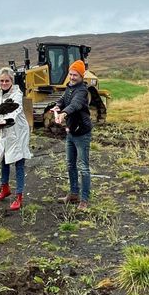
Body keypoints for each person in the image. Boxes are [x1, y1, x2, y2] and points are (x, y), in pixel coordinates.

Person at [51, 59, 92, 210]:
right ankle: (74, 194)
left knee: (83, 167)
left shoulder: (82, 91)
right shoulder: (69, 87)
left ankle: (84, 200)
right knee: (70, 164)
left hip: (82, 134)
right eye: (71, 74)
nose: (72, 77)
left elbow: (74, 104)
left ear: (81, 76)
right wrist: (57, 106)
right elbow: (63, 100)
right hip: (71, 133)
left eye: (75, 75)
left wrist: (63, 114)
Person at [0, 67, 32, 210]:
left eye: (7, 80)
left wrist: (4, 121)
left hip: (18, 132)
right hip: (5, 132)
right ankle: (5, 188)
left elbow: (14, 110)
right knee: (4, 159)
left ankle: (19, 196)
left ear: (11, 81)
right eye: (1, 80)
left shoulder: (17, 94)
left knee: (19, 162)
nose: (4, 83)